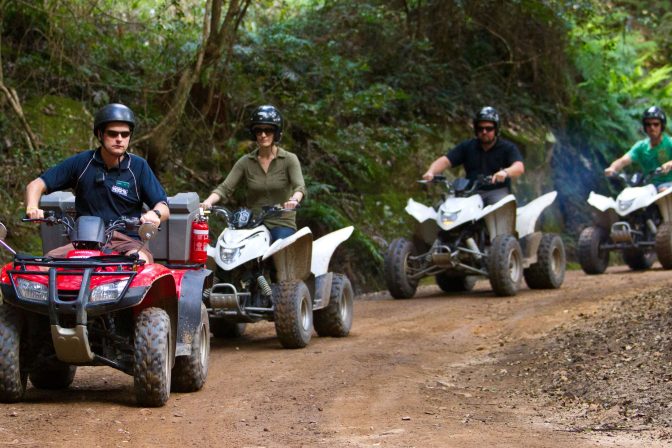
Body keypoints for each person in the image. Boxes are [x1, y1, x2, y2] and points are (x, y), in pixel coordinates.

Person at [24, 103, 169, 262]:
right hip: (84, 241)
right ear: (100, 134)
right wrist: (32, 207)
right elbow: (36, 185)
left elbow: (163, 205)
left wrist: (154, 214)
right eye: (112, 134)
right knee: (46, 265)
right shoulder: (82, 162)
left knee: (139, 263)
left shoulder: (138, 167)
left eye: (125, 134)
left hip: (127, 241)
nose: (119, 139)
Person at [200, 105, 306, 242]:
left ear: (276, 132)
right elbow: (225, 188)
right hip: (253, 224)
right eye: (258, 130)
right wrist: (208, 202)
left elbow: (300, 187)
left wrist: (293, 200)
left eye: (268, 130)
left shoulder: (289, 159)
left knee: (281, 248)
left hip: (281, 222)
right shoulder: (246, 162)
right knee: (229, 247)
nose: (263, 135)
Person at [422, 106, 525, 205]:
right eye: (480, 128)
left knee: (501, 205)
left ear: (496, 129)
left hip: (496, 191)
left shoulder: (507, 148)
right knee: (442, 208)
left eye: (489, 129)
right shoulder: (467, 146)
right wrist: (431, 172)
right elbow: (445, 160)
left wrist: (505, 172)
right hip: (469, 193)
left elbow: (519, 167)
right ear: (476, 129)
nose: (484, 132)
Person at [604, 106, 672, 191]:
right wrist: (612, 168)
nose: (652, 128)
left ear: (662, 125)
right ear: (644, 127)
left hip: (668, 185)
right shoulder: (641, 146)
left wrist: (670, 163)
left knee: (663, 190)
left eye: (656, 124)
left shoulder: (669, 143)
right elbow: (623, 160)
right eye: (648, 124)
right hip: (650, 188)